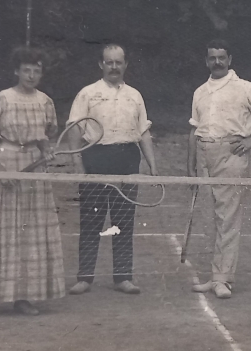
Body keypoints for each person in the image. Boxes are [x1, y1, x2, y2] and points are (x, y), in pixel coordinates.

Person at [0, 47, 65, 317]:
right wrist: (0, 170)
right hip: (4, 164)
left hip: (34, 171)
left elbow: (45, 136)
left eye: (37, 70)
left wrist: (45, 150)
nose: (31, 75)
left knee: (29, 233)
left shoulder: (45, 101)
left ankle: (22, 297)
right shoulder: (2, 99)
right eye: (26, 69)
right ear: (17, 71)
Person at [188, 39, 251, 299]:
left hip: (231, 154)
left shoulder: (244, 88)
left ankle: (224, 280)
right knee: (211, 218)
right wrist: (191, 165)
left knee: (228, 218)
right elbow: (194, 130)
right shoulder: (200, 91)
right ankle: (215, 275)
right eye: (212, 58)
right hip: (204, 154)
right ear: (206, 61)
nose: (217, 62)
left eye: (221, 57)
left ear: (229, 59)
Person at [66, 43, 159, 296]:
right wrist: (77, 163)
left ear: (125, 64)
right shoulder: (87, 93)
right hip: (95, 157)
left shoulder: (135, 96)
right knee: (91, 220)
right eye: (109, 62)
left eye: (119, 62)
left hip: (128, 158)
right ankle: (84, 277)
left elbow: (143, 132)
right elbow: (75, 127)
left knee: (123, 221)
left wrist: (152, 165)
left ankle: (123, 277)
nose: (114, 67)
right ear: (101, 64)